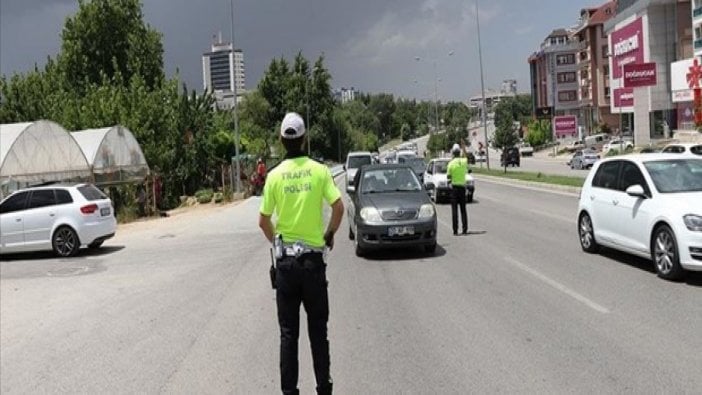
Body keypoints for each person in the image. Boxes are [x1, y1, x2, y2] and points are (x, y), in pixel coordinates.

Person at [259, 112, 344, 395]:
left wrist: (277, 244)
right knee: (318, 332)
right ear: (304, 139)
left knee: (288, 335)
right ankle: (323, 388)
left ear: (281, 140)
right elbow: (338, 207)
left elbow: (263, 220)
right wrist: (328, 234)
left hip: (286, 267)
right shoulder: (319, 171)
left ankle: (290, 391)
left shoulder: (273, 176)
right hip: (313, 263)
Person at [447, 139, 469, 235]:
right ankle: (464, 229)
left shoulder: (450, 164)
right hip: (462, 188)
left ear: (452, 153)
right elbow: (465, 155)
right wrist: (463, 146)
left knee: (454, 210)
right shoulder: (463, 162)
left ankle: (455, 230)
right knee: (463, 210)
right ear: (459, 152)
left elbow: (448, 177)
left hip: (454, 188)